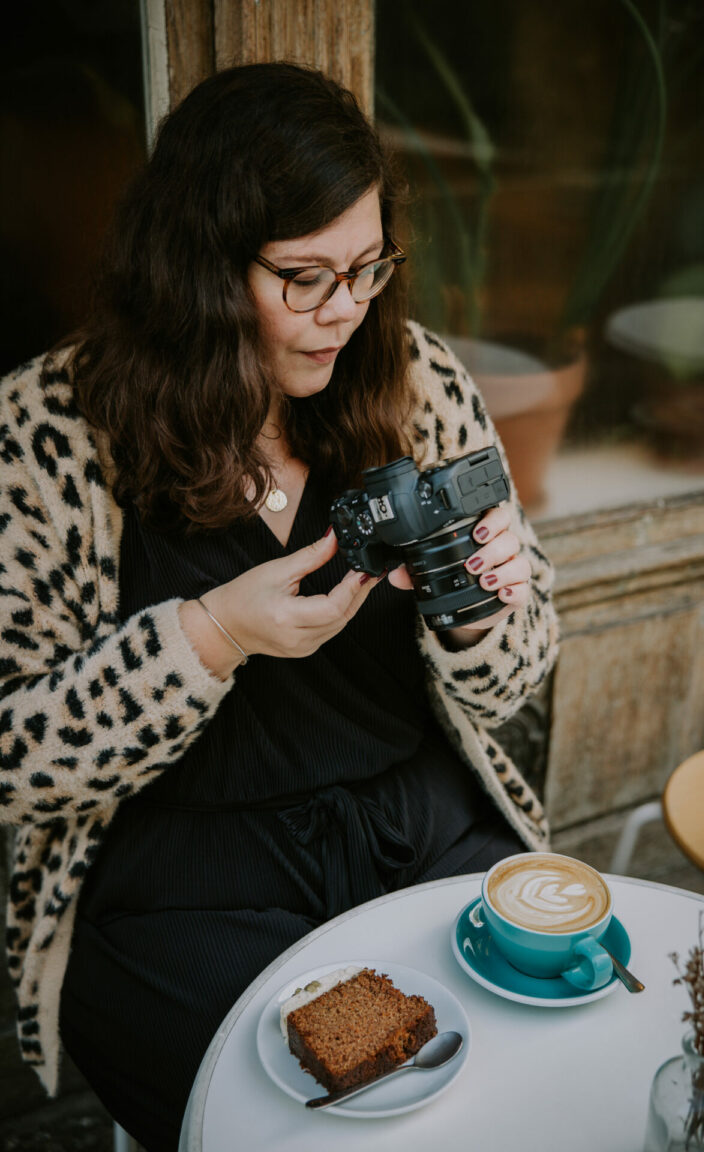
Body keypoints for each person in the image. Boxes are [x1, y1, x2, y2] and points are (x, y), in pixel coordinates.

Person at [0, 62, 558, 1150]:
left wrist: (486, 614)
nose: (344, 310)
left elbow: (521, 667)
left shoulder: (417, 379)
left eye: (365, 269)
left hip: (422, 827)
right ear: (200, 268)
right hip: (185, 881)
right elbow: (14, 756)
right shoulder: (49, 433)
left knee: (524, 1078)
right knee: (295, 1125)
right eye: (302, 278)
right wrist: (213, 636)